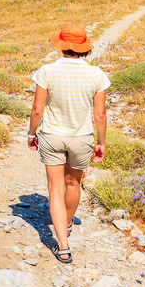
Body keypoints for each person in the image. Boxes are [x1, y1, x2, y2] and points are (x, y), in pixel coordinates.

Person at [27, 24, 110, 264]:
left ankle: (62, 246)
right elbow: (100, 115)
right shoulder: (97, 75)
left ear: (62, 45)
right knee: (73, 184)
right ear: (84, 48)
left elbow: (37, 109)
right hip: (82, 137)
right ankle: (68, 221)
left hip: (52, 135)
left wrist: (32, 134)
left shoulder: (47, 71)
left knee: (55, 189)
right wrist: (101, 142)